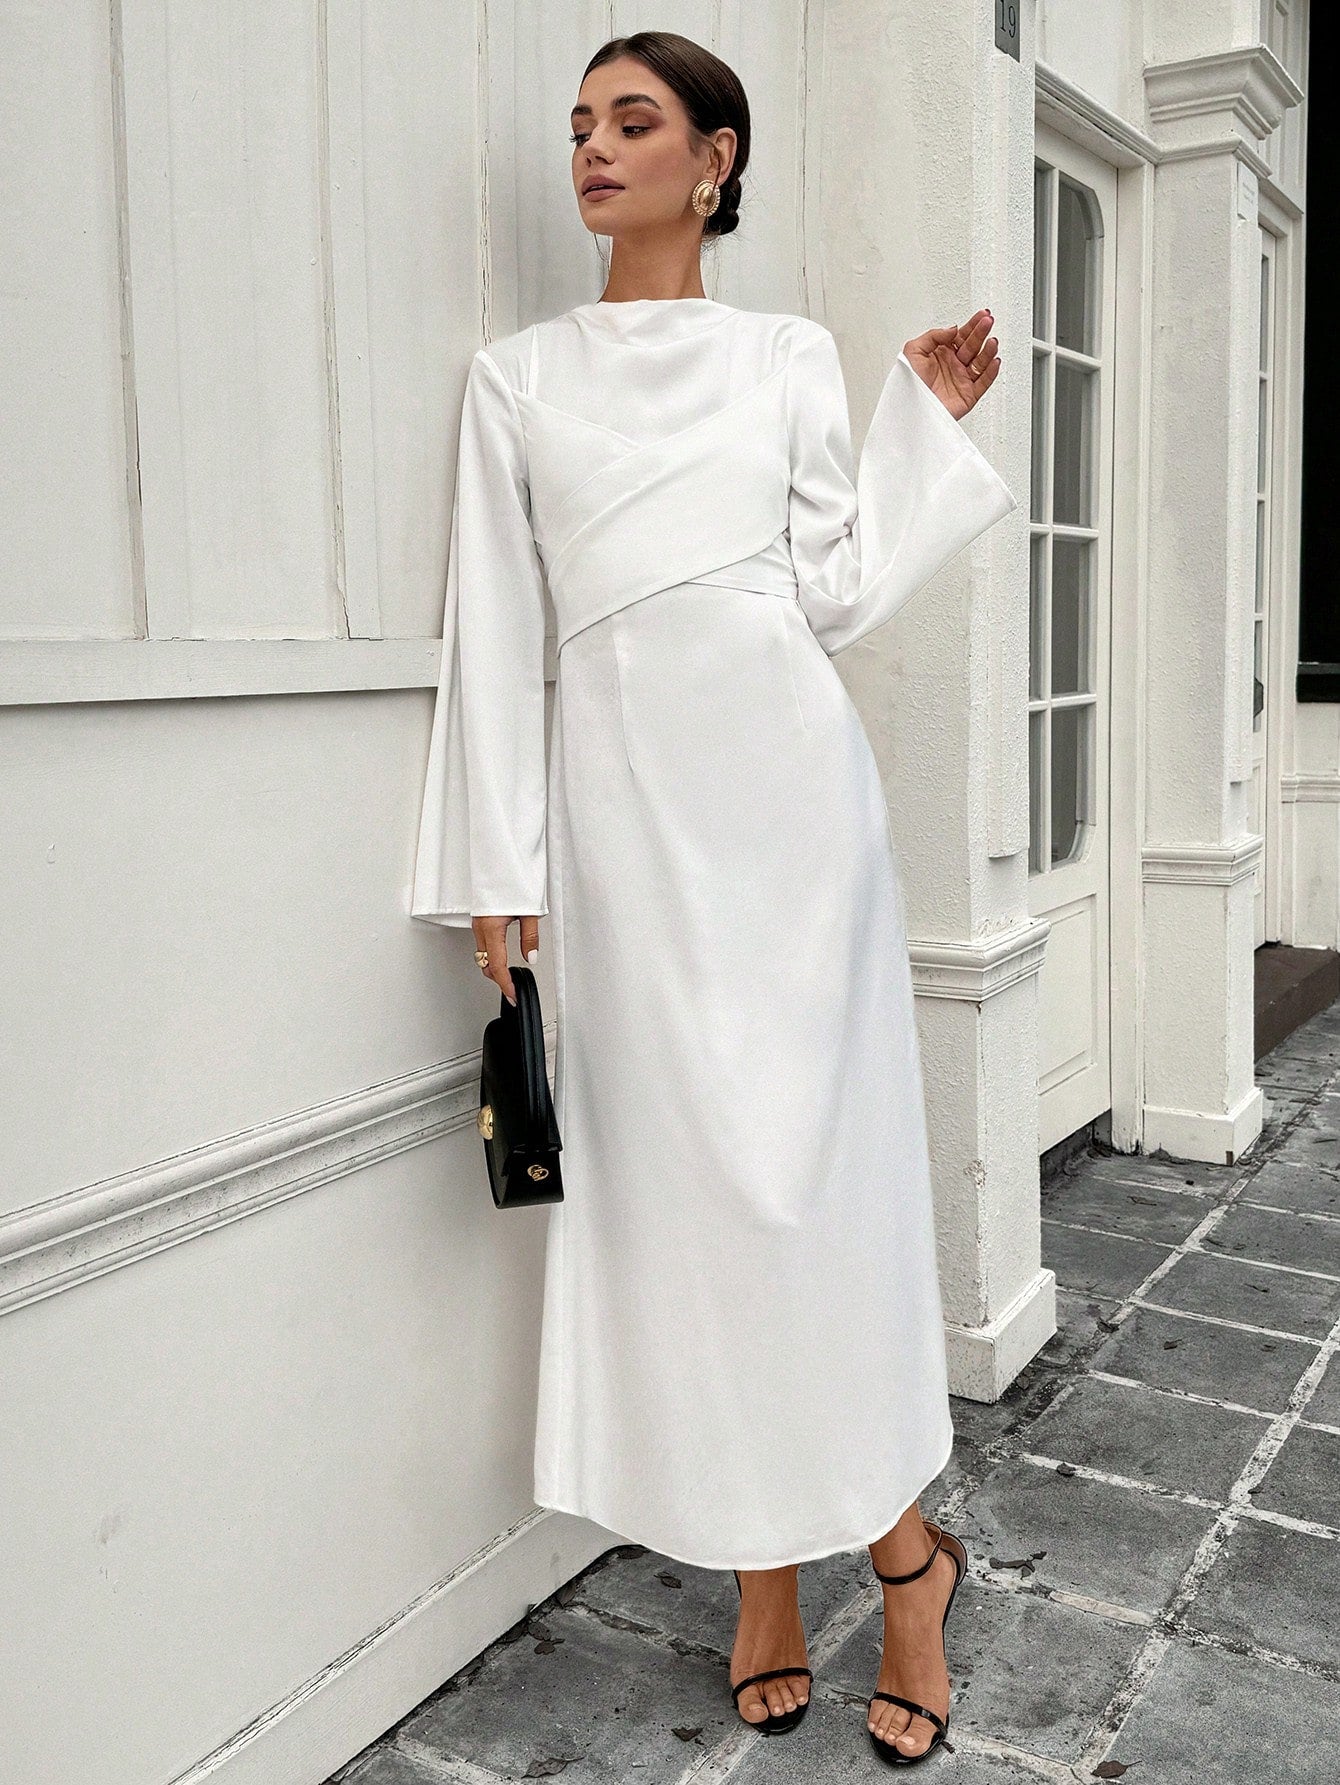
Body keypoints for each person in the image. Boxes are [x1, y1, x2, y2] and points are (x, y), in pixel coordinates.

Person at [411, 28, 1015, 1766]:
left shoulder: (785, 356)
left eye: (634, 120)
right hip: (624, 835)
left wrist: (919, 425)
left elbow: (836, 585)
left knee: (815, 1200)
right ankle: (767, 1572)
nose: (594, 150)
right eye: (580, 125)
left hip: (795, 824)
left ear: (715, 157)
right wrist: (497, 870)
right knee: (695, 1205)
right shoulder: (517, 380)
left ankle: (903, 1562)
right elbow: (496, 636)